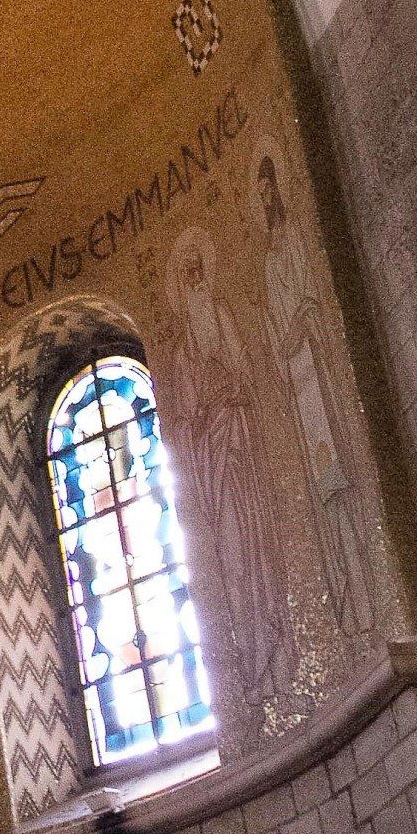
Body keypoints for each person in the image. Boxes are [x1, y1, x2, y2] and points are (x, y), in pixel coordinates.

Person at [161, 226, 295, 708]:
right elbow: (185, 420)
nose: (196, 277)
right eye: (187, 273)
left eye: (200, 268)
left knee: (256, 545)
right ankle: (253, 662)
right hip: (214, 464)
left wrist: (231, 390)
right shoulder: (182, 353)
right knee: (234, 554)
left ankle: (277, 650)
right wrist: (203, 412)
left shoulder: (221, 318)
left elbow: (244, 375)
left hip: (240, 449)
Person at [257, 153, 377, 635]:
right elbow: (276, 325)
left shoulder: (295, 238)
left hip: (320, 368)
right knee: (325, 493)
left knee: (342, 480)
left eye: (270, 190)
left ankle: (366, 591)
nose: (266, 200)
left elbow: (312, 301)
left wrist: (301, 325)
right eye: (259, 195)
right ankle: (347, 596)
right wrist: (283, 342)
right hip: (300, 377)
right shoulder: (268, 257)